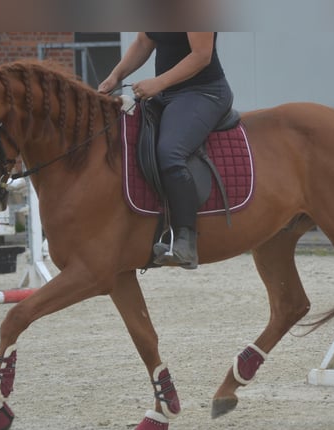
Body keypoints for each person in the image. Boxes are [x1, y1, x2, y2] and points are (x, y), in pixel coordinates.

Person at [98, 32, 233, 270]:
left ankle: (185, 239)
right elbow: (143, 41)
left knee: (170, 153)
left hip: (204, 92)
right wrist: (114, 76)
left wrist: (158, 82)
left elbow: (201, 56)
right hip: (168, 95)